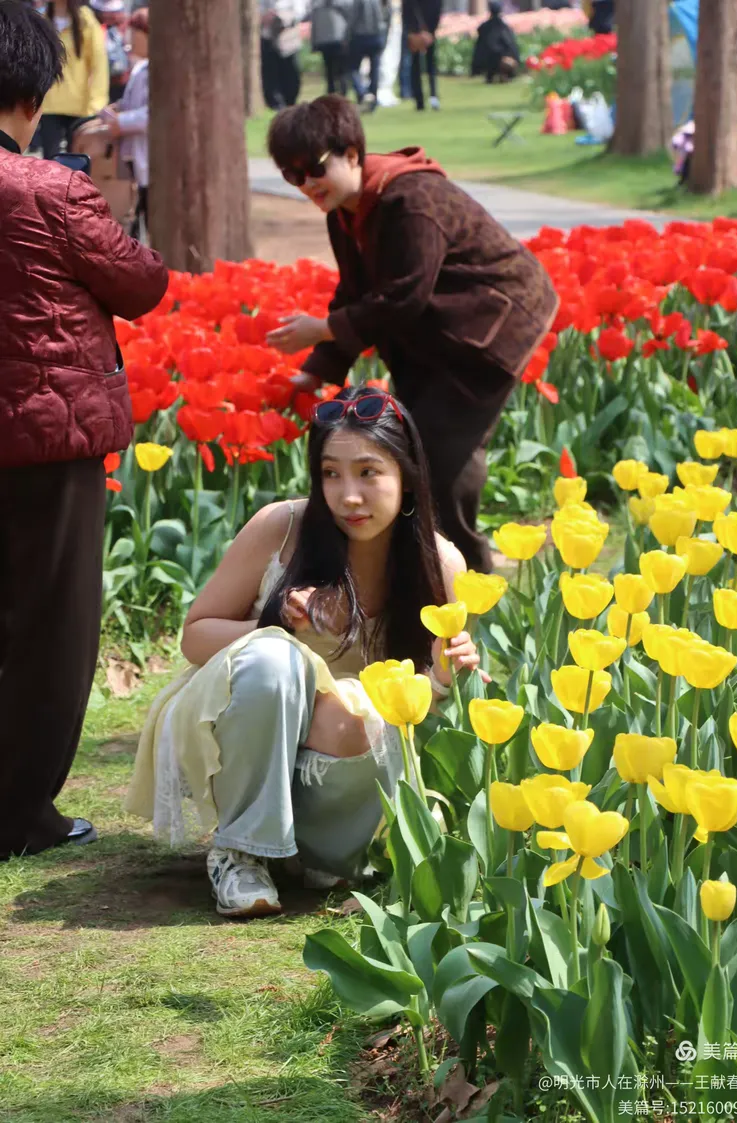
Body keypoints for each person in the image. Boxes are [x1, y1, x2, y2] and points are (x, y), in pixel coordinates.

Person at [127, 386, 480, 917]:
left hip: (343, 754)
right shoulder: (282, 528)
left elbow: (426, 708)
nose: (348, 496)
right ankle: (240, 851)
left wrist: (450, 675)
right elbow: (195, 635)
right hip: (248, 714)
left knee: (362, 714)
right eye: (331, 473)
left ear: (407, 476)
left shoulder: (440, 565)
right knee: (275, 659)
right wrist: (281, 625)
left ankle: (313, 854)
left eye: (368, 472)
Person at [0, 0, 169, 860]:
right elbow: (142, 283)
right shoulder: (50, 189)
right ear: (30, 98)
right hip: (45, 438)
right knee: (49, 627)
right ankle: (19, 812)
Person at [265, 96, 559, 574]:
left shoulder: (412, 199)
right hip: (435, 338)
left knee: (438, 460)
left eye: (314, 168)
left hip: (490, 331)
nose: (307, 184)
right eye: (291, 176)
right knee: (414, 451)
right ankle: (428, 577)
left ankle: (468, 583)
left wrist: (322, 329)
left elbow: (404, 297)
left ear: (352, 155)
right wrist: (317, 370)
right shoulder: (344, 210)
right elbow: (356, 290)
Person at [100, 6, 149, 238]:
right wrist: (115, 110)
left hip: (149, 156)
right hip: (133, 158)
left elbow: (152, 114)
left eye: (135, 33)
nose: (130, 38)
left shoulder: (155, 71)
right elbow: (132, 104)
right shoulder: (140, 69)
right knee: (134, 220)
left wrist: (121, 121)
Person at [37, 0, 109, 158]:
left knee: (76, 160)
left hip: (80, 106)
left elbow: (99, 63)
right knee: (50, 160)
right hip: (49, 104)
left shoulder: (86, 19)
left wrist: (98, 100)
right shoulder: (41, 19)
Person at [259, 0, 304, 110]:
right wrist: (264, 17)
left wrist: (283, 17)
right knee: (270, 76)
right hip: (268, 40)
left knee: (291, 75)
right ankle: (276, 105)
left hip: (288, 40)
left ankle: (290, 103)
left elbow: (301, 12)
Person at [348, 0, 389, 109]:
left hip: (360, 36)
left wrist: (347, 34)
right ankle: (373, 96)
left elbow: (353, 18)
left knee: (353, 68)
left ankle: (362, 93)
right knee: (375, 70)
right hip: (376, 36)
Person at [402, 0, 441, 111]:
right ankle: (432, 96)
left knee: (416, 66)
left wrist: (413, 30)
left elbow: (407, 12)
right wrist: (431, 31)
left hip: (417, 31)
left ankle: (420, 100)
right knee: (430, 65)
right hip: (427, 31)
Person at [471, 0, 520, 85]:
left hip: (487, 61)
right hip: (500, 60)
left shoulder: (484, 27)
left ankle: (492, 76)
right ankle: (504, 75)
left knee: (492, 57)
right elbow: (511, 46)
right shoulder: (504, 27)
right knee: (505, 60)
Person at [90, 0, 129, 104]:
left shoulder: (120, 27)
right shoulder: (93, 28)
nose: (111, 15)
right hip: (101, 81)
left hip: (118, 81)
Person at [310, 0, 352, 97]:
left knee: (340, 71)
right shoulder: (317, 6)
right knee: (330, 72)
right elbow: (314, 25)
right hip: (326, 42)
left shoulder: (341, 5)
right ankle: (332, 95)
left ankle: (342, 94)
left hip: (338, 41)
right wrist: (314, 42)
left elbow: (350, 20)